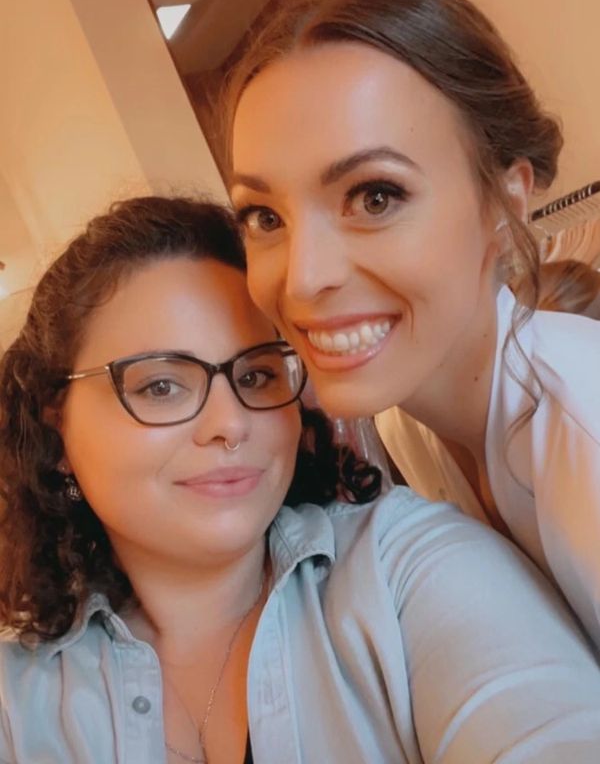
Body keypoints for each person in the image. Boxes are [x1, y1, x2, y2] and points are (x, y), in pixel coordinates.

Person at [1, 197, 600, 763]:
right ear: (57, 432)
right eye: (160, 385)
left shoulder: (406, 568)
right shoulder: (18, 700)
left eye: (256, 376)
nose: (230, 423)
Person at [227, 0, 600, 649]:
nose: (304, 279)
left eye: (375, 197)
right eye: (265, 217)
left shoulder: (586, 430)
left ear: (506, 205)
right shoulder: (404, 422)